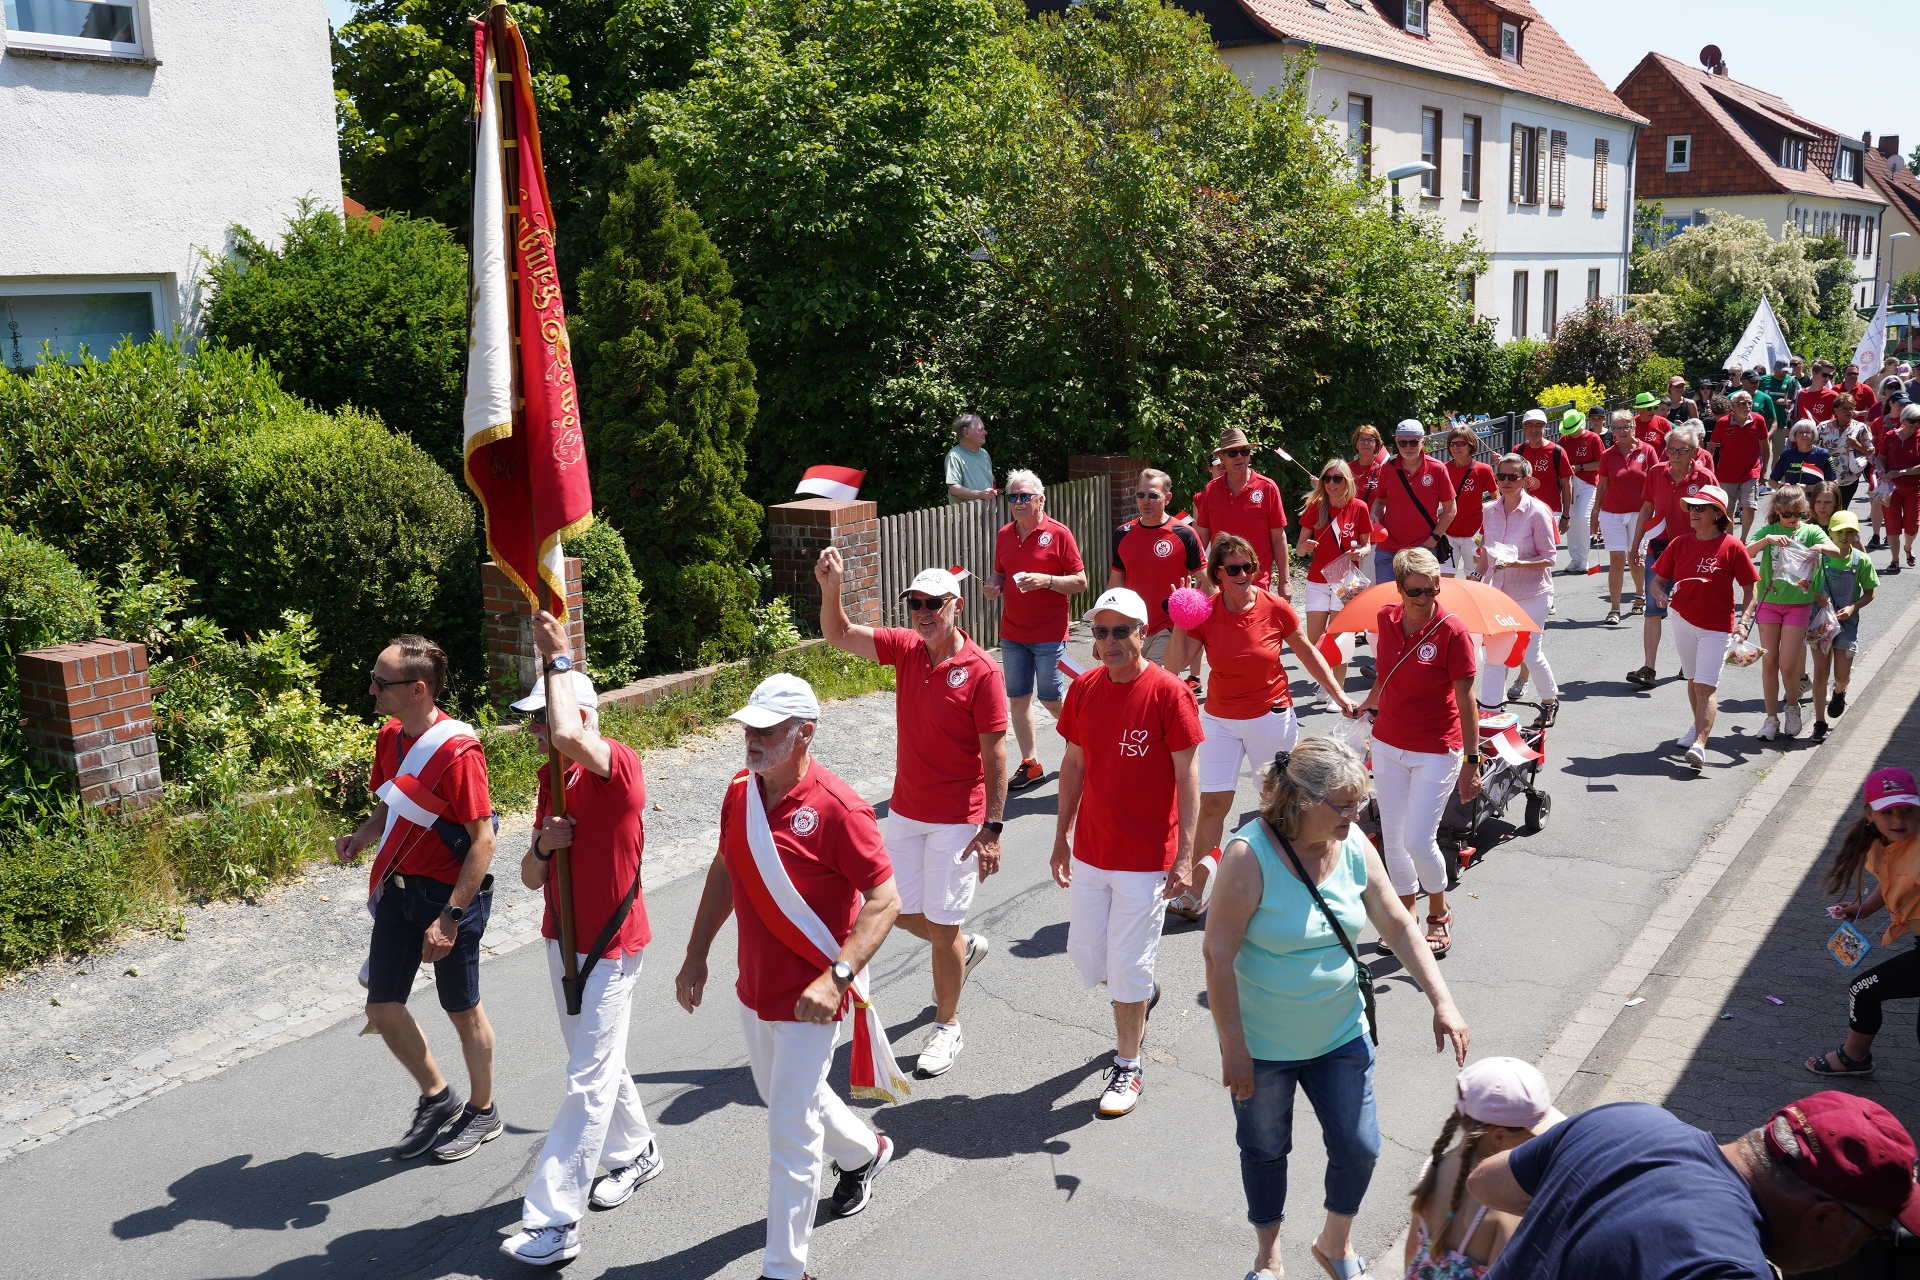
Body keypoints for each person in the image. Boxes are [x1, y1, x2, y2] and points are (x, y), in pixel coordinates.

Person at [1204, 738, 1470, 1280]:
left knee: (1360, 1146)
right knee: (1264, 1149)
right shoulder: (1247, 856)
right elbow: (1217, 954)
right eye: (1343, 804)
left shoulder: (1354, 847)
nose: (1356, 814)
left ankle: (1334, 1242)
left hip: (1341, 1033)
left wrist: (1443, 1001)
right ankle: (1268, 1257)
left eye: (1359, 802)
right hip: (1264, 1045)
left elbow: (1396, 924)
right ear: (1301, 798)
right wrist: (1234, 1049)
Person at [675, 674, 904, 1280]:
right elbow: (726, 868)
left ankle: (785, 1268)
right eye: (748, 728)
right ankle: (866, 1151)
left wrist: (837, 977)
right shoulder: (739, 795)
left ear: (805, 734)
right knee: (784, 1100)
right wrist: (696, 953)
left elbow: (886, 901)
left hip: (813, 1002)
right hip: (755, 991)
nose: (751, 739)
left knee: (790, 1132)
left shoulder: (840, 808)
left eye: (767, 730)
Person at [500, 619, 658, 1267]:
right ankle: (636, 1150)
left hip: (612, 947)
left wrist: (558, 656)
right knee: (598, 1063)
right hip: (561, 941)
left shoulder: (618, 766)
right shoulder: (549, 781)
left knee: (586, 1079)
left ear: (585, 715)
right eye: (533, 723)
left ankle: (555, 1219)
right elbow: (528, 875)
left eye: (544, 721)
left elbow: (570, 733)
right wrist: (543, 844)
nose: (539, 733)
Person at [816, 552, 1006, 1078]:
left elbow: (995, 754)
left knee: (943, 927)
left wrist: (992, 827)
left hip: (958, 819)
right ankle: (961, 951)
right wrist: (832, 588)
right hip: (905, 812)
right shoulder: (905, 649)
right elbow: (839, 633)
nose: (922, 613)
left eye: (933, 604)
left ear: (956, 607)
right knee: (889, 909)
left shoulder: (981, 671)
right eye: (915, 604)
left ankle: (947, 1026)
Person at [333, 633, 500, 1161]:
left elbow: (484, 838)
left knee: (461, 1009)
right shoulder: (390, 737)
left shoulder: (459, 753)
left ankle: (483, 1110)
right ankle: (437, 1096)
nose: (372, 689)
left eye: (382, 682)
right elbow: (394, 804)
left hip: (450, 899)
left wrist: (451, 916)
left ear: (418, 689)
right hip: (401, 894)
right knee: (382, 1008)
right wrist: (364, 834)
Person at [1468, 1090, 1920, 1278]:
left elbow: (1485, 1184)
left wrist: (1586, 1196)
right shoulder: (1728, 1270)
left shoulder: (1627, 1119)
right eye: (1871, 1234)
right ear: (1824, 1216)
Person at [1052, 587, 1202, 1118]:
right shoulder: (1086, 690)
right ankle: (1140, 995)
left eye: (1121, 631)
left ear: (1143, 634)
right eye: (1100, 632)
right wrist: (1060, 839)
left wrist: (1184, 853)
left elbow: (1188, 774)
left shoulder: (1168, 692)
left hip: (1145, 861)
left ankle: (1129, 1064)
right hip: (1093, 850)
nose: (1110, 641)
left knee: (1127, 964)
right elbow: (1073, 766)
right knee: (1087, 958)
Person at [1164, 535, 1355, 919]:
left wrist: (1338, 695)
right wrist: (1181, 621)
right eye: (1232, 568)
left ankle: (1286, 886)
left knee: (1276, 804)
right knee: (1213, 804)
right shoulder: (1207, 612)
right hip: (1220, 719)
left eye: (1248, 567)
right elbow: (1174, 666)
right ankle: (1195, 892)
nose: (1242, 574)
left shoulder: (1275, 607)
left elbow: (1307, 651)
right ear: (1217, 573)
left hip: (1270, 717)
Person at [1351, 548, 1481, 959]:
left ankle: (1439, 913)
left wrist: (1471, 763)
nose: (1424, 599)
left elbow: (1467, 703)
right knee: (1392, 838)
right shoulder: (1385, 619)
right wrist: (1367, 702)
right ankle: (1404, 918)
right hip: (1388, 742)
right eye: (1415, 592)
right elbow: (1387, 673)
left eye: (1431, 590)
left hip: (1436, 749)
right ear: (1400, 589)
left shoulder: (1453, 631)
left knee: (1417, 839)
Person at [1403, 1057, 1564, 1279]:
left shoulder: (1434, 1167)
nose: (1539, 1144)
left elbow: (1412, 1252)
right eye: (1535, 1136)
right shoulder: (1508, 1202)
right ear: (1499, 1136)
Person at [1806, 768, 1920, 1077]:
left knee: (1862, 989)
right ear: (1870, 814)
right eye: (1889, 812)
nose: (1899, 819)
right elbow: (1893, 884)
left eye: (1908, 810)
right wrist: (1863, 910)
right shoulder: (1885, 845)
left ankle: (1854, 1058)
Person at [986, 469, 1087, 791]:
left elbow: (1081, 582)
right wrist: (993, 585)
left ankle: (1088, 741)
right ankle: (1031, 763)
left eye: (1024, 496)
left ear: (1040, 499)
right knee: (1017, 698)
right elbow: (999, 574)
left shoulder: (1058, 534)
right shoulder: (1005, 534)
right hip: (1012, 633)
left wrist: (1047, 581)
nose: (1017, 501)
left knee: (1050, 697)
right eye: (1012, 496)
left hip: (1048, 632)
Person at [1650, 487, 1759, 768]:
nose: (1694, 512)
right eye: (1692, 507)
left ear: (1717, 514)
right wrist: (1660, 595)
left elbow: (1751, 592)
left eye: (1701, 508)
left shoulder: (1732, 546)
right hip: (1682, 620)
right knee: (1692, 678)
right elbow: (1657, 581)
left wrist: (1744, 623)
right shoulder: (1679, 544)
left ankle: (1700, 743)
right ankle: (1698, 726)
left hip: (1717, 627)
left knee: (1705, 686)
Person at [1745, 484, 1842, 741]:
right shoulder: (1769, 530)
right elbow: (1743, 553)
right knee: (1769, 661)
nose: (1792, 519)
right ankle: (1770, 719)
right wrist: (1766, 540)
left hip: (1798, 604)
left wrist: (1819, 548)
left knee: (1788, 664)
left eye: (1797, 513)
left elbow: (1836, 550)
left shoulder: (1809, 531)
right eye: (1787, 514)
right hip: (1769, 602)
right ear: (1777, 511)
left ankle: (1791, 708)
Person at [1626, 425, 1716, 688]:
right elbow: (1646, 508)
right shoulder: (1655, 473)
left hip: (1695, 552)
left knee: (1691, 610)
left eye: (1682, 450)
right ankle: (1648, 668)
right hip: (1660, 549)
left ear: (1695, 452)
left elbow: (1720, 514)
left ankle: (1689, 663)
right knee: (1653, 609)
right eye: (1671, 449)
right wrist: (1635, 546)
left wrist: (1720, 552)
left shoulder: (1706, 477)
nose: (1675, 455)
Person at [1477, 454, 1559, 726]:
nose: (1506, 481)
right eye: (1501, 476)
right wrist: (1476, 580)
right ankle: (1490, 712)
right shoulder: (1489, 511)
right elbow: (1486, 555)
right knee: (1495, 655)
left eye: (1513, 476)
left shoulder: (1537, 511)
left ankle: (1549, 701)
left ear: (1525, 479)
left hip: (1533, 593)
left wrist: (1517, 562)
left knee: (1529, 654)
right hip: (1498, 594)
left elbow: (1550, 557)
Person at [1108, 468, 1204, 668]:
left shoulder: (1184, 534)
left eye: (1153, 495)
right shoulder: (1122, 534)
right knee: (1128, 687)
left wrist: (1206, 627)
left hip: (1167, 629)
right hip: (1130, 628)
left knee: (1160, 686)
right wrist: (1104, 628)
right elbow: (1115, 586)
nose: (1145, 501)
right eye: (1141, 495)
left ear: (1167, 498)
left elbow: (1206, 583)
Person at [1295, 459, 1374, 699]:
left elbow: (1367, 545)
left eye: (1337, 478)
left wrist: (1360, 552)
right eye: (1326, 478)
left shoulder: (1358, 507)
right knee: (1314, 639)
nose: (1331, 483)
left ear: (1347, 481)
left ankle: (1336, 690)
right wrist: (1305, 547)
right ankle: (1325, 682)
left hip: (1346, 578)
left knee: (1339, 638)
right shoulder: (1315, 506)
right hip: (1317, 579)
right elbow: (1298, 549)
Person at [1195, 427, 1291, 598]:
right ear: (1221, 458)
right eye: (1232, 453)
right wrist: (1200, 580)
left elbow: (1278, 538)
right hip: (1220, 584)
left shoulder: (1267, 488)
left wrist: (1284, 581)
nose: (1240, 457)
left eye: (1244, 451)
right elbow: (1201, 538)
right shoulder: (1211, 490)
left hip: (1257, 583)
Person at [1806, 510, 1876, 742]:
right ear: (1830, 533)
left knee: (1842, 675)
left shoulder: (1861, 560)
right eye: (1839, 532)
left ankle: (1839, 692)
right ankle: (1819, 722)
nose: (1845, 536)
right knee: (1820, 673)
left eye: (1850, 532)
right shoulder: (1821, 558)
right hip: (1820, 623)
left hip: (1847, 624)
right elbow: (1803, 585)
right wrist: (1817, 596)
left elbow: (1870, 593)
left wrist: (1853, 607)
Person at [1371, 419, 1457, 584]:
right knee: (1387, 601)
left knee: (1421, 600)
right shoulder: (1388, 469)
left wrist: (1433, 540)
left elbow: (1450, 510)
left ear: (1423, 441)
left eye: (1413, 442)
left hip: (1422, 548)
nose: (1408, 447)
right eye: (1403, 443)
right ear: (1396, 442)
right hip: (1389, 547)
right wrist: (1374, 515)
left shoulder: (1437, 468)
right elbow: (1380, 501)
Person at [1594, 413, 1656, 625]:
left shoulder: (1647, 451)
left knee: (1635, 557)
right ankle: (1615, 608)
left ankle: (1640, 594)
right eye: (1617, 428)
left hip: (1641, 513)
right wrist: (1595, 513)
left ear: (1633, 427)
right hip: (1612, 513)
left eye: (1625, 427)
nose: (1621, 431)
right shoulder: (1608, 455)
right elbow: (1602, 485)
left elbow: (1656, 481)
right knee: (1617, 559)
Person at [1709, 389, 1771, 541]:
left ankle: (1743, 540)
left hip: (1751, 471)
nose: (1747, 406)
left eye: (1749, 402)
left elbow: (1765, 445)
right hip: (1726, 473)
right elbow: (1711, 447)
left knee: (1749, 506)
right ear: (1733, 405)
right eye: (1743, 403)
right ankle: (1731, 540)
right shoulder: (1723, 423)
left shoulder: (1759, 420)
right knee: (1728, 509)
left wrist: (1763, 470)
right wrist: (1708, 470)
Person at [1441, 427, 1497, 575]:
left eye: (1460, 443)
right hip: (1448, 534)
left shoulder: (1483, 469)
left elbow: (1496, 499)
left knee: (1472, 579)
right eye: (1451, 444)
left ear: (1470, 444)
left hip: (1474, 535)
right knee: (1445, 579)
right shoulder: (1443, 469)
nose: (1455, 447)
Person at [1516, 409, 1573, 552]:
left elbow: (1567, 485)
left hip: (1550, 511)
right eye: (1529, 425)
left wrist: (1566, 516)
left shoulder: (1557, 451)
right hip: (1523, 511)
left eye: (1538, 425)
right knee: (1524, 553)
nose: (1533, 429)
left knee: (1545, 555)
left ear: (1544, 427)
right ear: (1523, 427)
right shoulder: (1518, 451)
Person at [1559, 408, 1606, 570]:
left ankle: (1584, 558)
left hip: (1589, 483)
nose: (1570, 433)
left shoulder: (1593, 438)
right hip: (1569, 484)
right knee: (1570, 520)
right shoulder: (1564, 440)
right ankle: (1574, 558)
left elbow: (1601, 463)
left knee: (1583, 519)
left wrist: (1578, 467)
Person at [1878, 403, 1920, 573]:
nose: (1916, 424)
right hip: (1890, 489)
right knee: (1892, 525)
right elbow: (1880, 457)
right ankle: (1894, 560)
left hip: (1913, 489)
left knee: (1912, 526)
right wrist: (1881, 468)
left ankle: (1908, 548)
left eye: (1919, 421)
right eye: (1913, 420)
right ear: (1904, 420)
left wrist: (1902, 472)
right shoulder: (1890, 436)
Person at [1821, 394, 1874, 509]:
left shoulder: (1860, 428)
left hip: (1849, 479)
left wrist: (1857, 446)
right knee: (1823, 511)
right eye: (1844, 408)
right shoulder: (1822, 427)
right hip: (1825, 478)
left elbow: (1870, 453)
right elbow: (1813, 450)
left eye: (1851, 408)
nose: (1849, 411)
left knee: (1841, 511)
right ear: (1835, 409)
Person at [945, 413, 996, 504]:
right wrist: (981, 494)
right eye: (980, 429)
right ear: (966, 433)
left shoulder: (984, 454)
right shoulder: (954, 455)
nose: (985, 432)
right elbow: (954, 489)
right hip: (967, 517)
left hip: (989, 514)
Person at [1771, 418, 1836, 487]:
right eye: (1800, 432)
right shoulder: (1786, 455)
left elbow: (1833, 482)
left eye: (1808, 432)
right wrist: (1784, 490)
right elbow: (1772, 481)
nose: (1804, 435)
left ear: (1813, 435)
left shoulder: (1824, 454)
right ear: (1794, 436)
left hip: (1816, 497)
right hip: (1792, 497)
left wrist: (1808, 488)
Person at [1795, 358, 1840, 424]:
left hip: (1824, 433)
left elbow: (1839, 420)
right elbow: (1794, 417)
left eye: (1830, 376)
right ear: (1814, 373)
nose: (1827, 379)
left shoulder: (1833, 396)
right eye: (1824, 375)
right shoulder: (1800, 394)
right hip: (1802, 433)